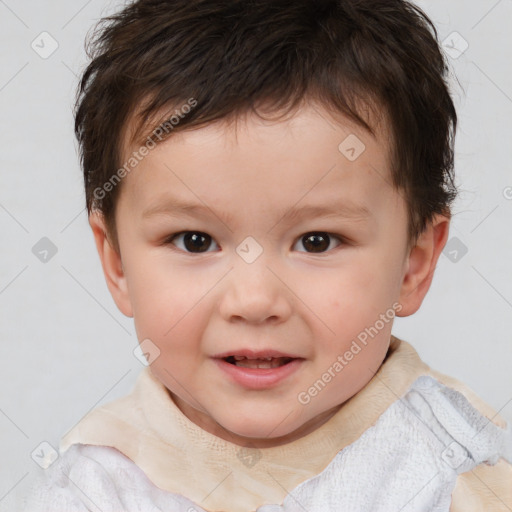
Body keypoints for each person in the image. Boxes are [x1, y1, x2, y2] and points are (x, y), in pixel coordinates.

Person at [23, 0, 512, 510]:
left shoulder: (451, 469)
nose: (254, 301)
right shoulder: (93, 491)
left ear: (415, 262)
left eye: (317, 241)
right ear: (118, 263)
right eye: (195, 240)